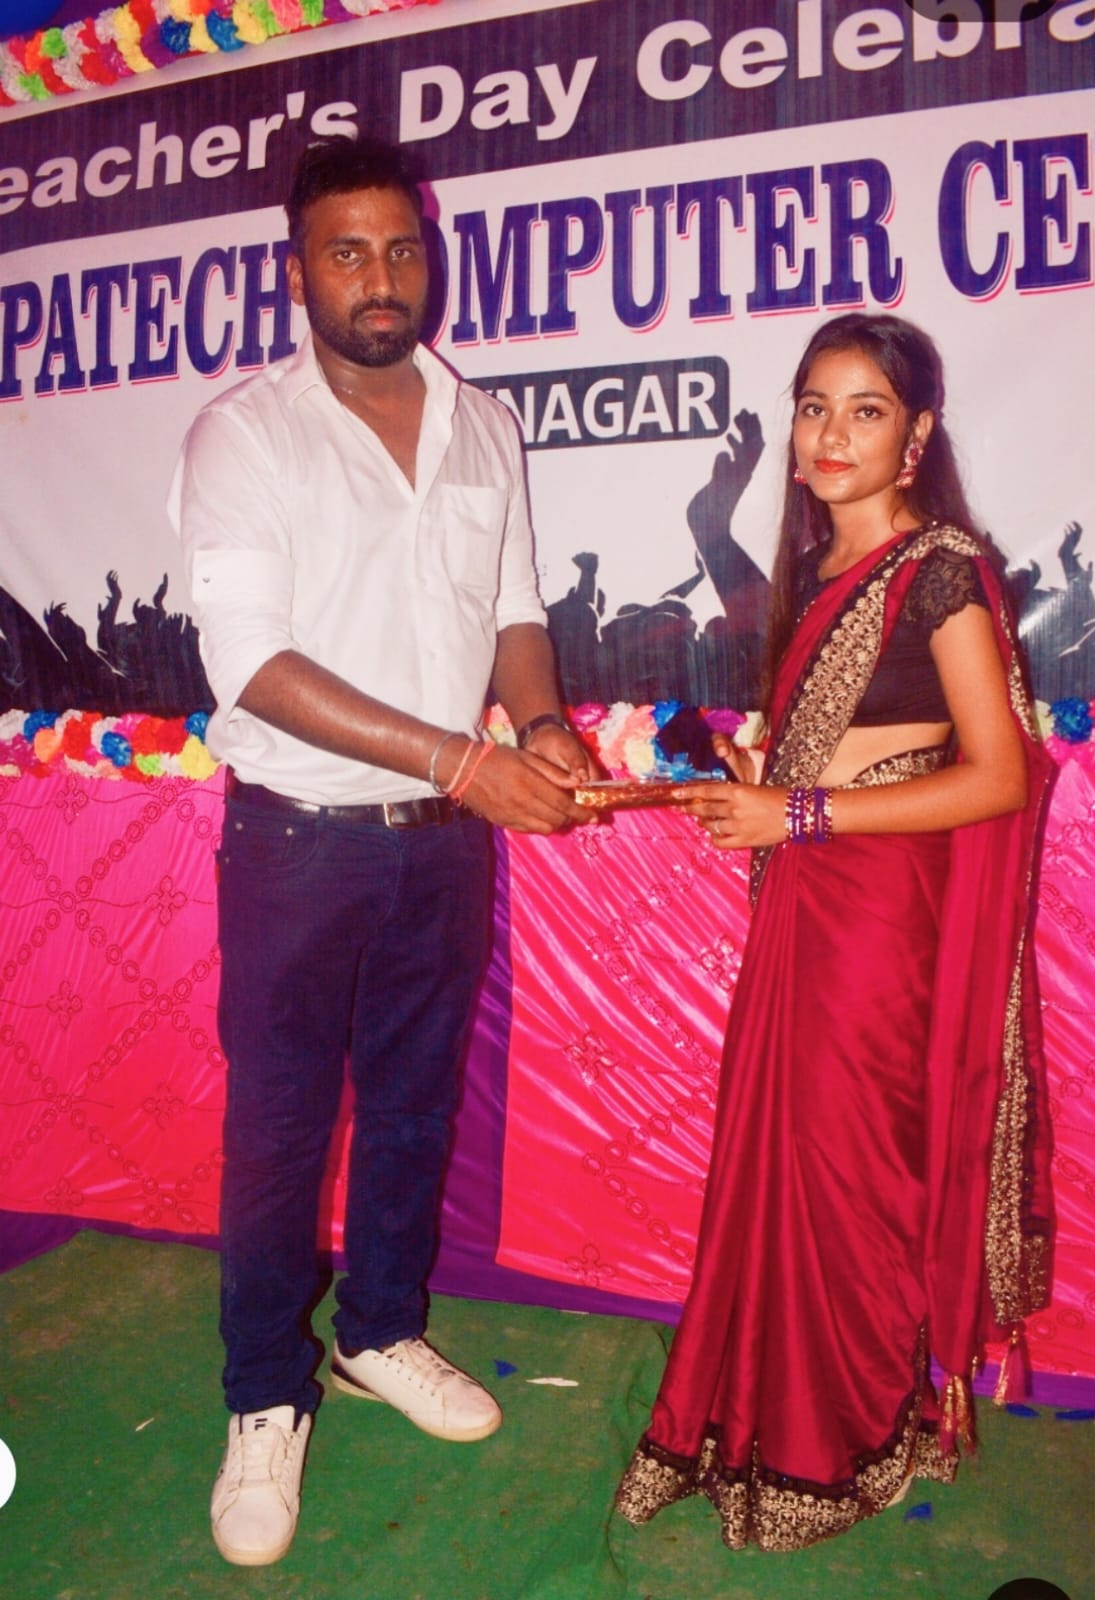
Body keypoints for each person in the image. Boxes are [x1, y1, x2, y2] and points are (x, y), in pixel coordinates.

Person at [169, 134, 596, 1567]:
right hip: (297, 843)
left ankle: (381, 1334)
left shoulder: (485, 424)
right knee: (281, 1130)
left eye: (401, 248)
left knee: (414, 1107)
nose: (380, 277)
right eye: (346, 252)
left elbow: (515, 607)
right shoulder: (244, 434)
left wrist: (540, 726)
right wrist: (466, 759)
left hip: (444, 848)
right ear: (296, 271)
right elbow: (252, 664)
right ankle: (263, 1395)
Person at [615, 313, 1054, 1551]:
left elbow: (997, 775)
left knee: (846, 1171)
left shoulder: (940, 568)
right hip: (807, 898)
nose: (829, 433)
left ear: (915, 435)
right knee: (784, 1165)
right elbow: (841, 758)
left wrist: (796, 811)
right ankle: (763, 1417)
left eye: (864, 410)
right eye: (813, 406)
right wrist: (763, 793)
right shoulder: (816, 576)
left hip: (877, 921)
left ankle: (846, 1437)